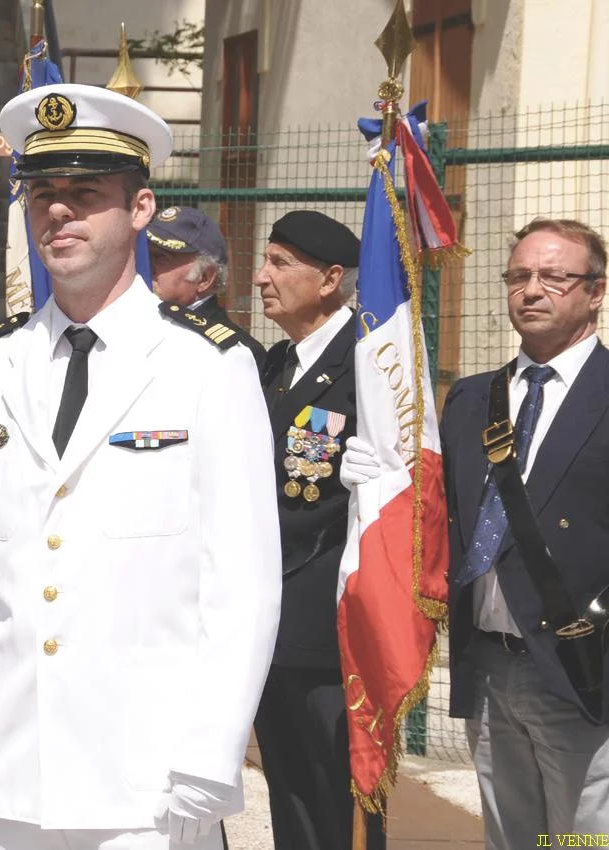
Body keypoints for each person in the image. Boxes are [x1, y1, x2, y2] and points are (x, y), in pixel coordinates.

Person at [0, 82, 281, 850]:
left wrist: (211, 753)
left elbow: (241, 582)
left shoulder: (208, 366)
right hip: (3, 780)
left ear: (140, 208)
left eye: (85, 194)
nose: (58, 212)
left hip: (149, 785)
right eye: (43, 193)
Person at [343, 217, 609, 847]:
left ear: (595, 291)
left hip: (583, 668)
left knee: (584, 837)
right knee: (511, 836)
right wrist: (381, 481)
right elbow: (441, 517)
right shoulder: (471, 398)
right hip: (488, 663)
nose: (532, 290)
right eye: (519, 276)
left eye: (554, 277)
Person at [253, 210, 383, 849]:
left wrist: (380, 477)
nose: (261, 277)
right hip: (270, 605)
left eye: (280, 263)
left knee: (336, 787)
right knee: (288, 783)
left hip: (329, 617)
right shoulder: (277, 363)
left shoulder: (370, 362)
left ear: (331, 279)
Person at [146, 205, 266, 367]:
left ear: (204, 278)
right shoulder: (136, 322)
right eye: (146, 256)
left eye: (161, 258)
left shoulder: (235, 352)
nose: (148, 266)